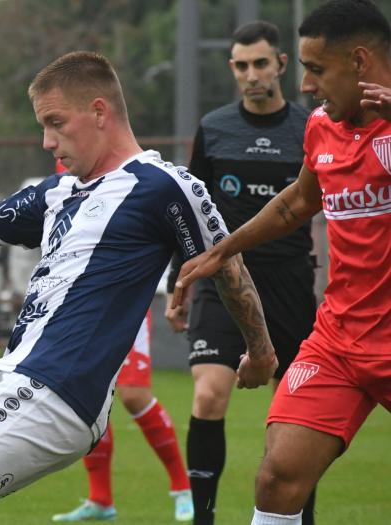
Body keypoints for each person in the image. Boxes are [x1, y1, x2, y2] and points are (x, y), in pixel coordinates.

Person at [0, 51, 275, 525]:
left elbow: (228, 267)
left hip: (58, 386)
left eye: (55, 123)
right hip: (20, 377)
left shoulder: (164, 185)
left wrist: (261, 352)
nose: (48, 141)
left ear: (99, 112)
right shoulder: (59, 192)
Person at [174, 2, 391, 523]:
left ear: (359, 61)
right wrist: (222, 250)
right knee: (277, 476)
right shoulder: (320, 127)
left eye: (316, 70)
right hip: (338, 338)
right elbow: (297, 201)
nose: (307, 86)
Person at [163, 21, 317, 524]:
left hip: (290, 281)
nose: (251, 75)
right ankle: (203, 519)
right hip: (223, 281)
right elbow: (189, 213)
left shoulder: (311, 127)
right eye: (241, 66)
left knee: (296, 421)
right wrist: (177, 283)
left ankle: (298, 518)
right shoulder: (215, 128)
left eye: (260, 64)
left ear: (280, 65)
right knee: (208, 395)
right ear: (233, 69)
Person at [51, 313, 193, 522]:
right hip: (88, 309)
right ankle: (100, 500)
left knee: (133, 394)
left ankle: (183, 488)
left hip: (128, 303)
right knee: (88, 395)